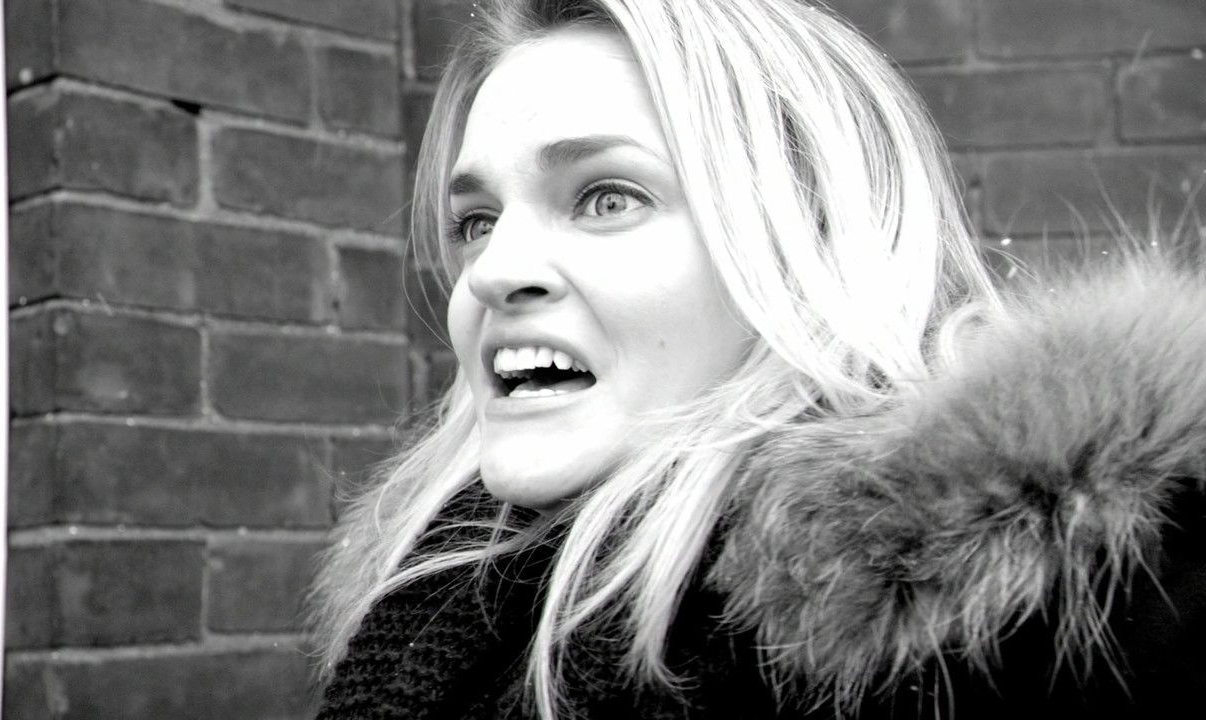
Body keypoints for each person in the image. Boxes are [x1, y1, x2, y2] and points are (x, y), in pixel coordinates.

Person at [311, 0, 1206, 717]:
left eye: (606, 198)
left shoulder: (1083, 623)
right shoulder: (430, 616)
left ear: (809, 249)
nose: (492, 270)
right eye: (476, 221)